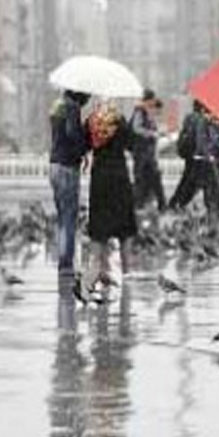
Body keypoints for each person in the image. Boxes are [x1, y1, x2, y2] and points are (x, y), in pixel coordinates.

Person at [81, 103, 137, 295]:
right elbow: (132, 144)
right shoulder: (118, 120)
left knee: (99, 228)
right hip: (119, 175)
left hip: (100, 178)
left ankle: (97, 270)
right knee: (125, 228)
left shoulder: (92, 121)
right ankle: (128, 273)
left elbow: (84, 145)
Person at [50, 90, 90, 276]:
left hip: (55, 165)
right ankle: (66, 262)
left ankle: (62, 257)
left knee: (61, 217)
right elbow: (72, 133)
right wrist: (83, 146)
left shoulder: (57, 106)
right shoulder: (72, 108)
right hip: (67, 166)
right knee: (69, 217)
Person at [168, 101, 219, 214]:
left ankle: (176, 202)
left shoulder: (189, 117)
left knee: (190, 181)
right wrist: (206, 155)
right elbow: (201, 140)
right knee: (201, 181)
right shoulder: (200, 120)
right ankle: (211, 206)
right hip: (199, 155)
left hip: (190, 154)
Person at [129, 89, 166, 211]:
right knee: (142, 179)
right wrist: (152, 134)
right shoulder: (139, 111)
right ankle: (139, 204)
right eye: (151, 100)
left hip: (147, 153)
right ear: (148, 100)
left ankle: (158, 204)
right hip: (141, 152)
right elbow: (136, 128)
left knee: (152, 178)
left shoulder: (145, 112)